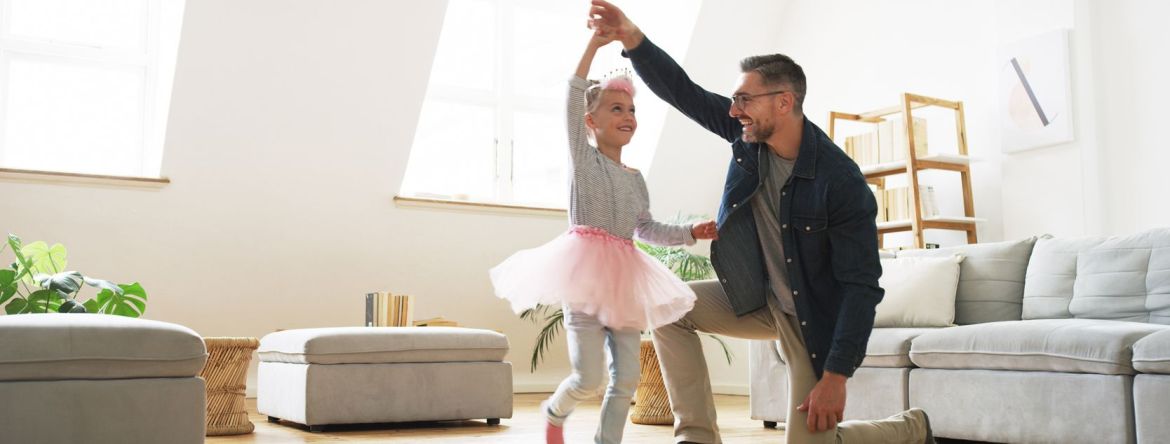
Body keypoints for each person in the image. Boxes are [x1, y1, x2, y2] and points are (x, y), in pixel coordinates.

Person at [587, 1, 936, 443]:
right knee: (668, 309)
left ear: (784, 102)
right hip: (758, 297)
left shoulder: (840, 183)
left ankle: (907, 428)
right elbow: (683, 92)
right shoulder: (747, 138)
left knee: (814, 442)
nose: (734, 110)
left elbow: (861, 286)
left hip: (810, 319)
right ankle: (695, 437)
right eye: (735, 100)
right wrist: (632, 37)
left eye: (744, 100)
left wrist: (836, 377)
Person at [488, 28, 719, 444]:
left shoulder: (635, 178)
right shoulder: (583, 160)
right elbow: (572, 96)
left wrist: (689, 232)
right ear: (591, 122)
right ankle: (555, 411)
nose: (628, 116)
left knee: (627, 377)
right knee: (587, 376)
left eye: (631, 109)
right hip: (586, 279)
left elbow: (645, 229)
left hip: (625, 285)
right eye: (616, 108)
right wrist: (594, 45)